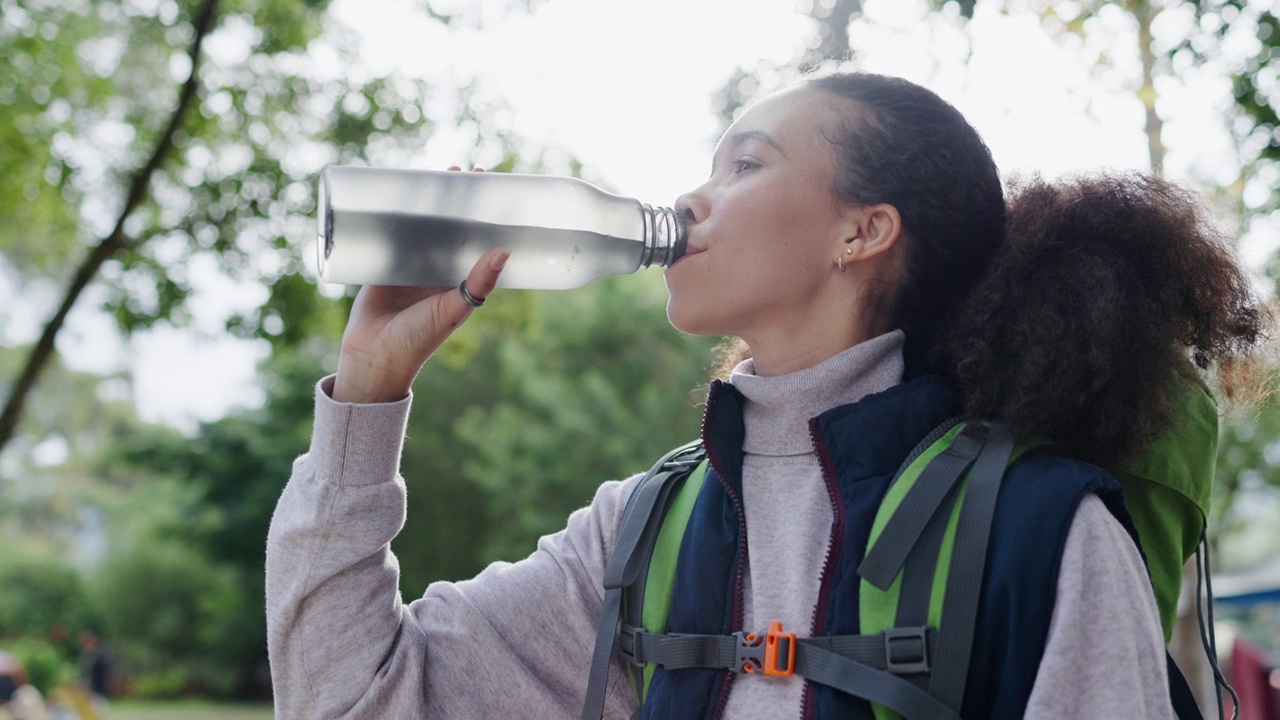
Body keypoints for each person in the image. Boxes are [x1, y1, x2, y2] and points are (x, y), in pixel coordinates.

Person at [265, 71, 1268, 718]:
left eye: (745, 164)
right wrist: (366, 394)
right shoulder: (645, 528)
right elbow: (348, 698)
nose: (694, 198)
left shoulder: (1036, 527)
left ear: (860, 232)